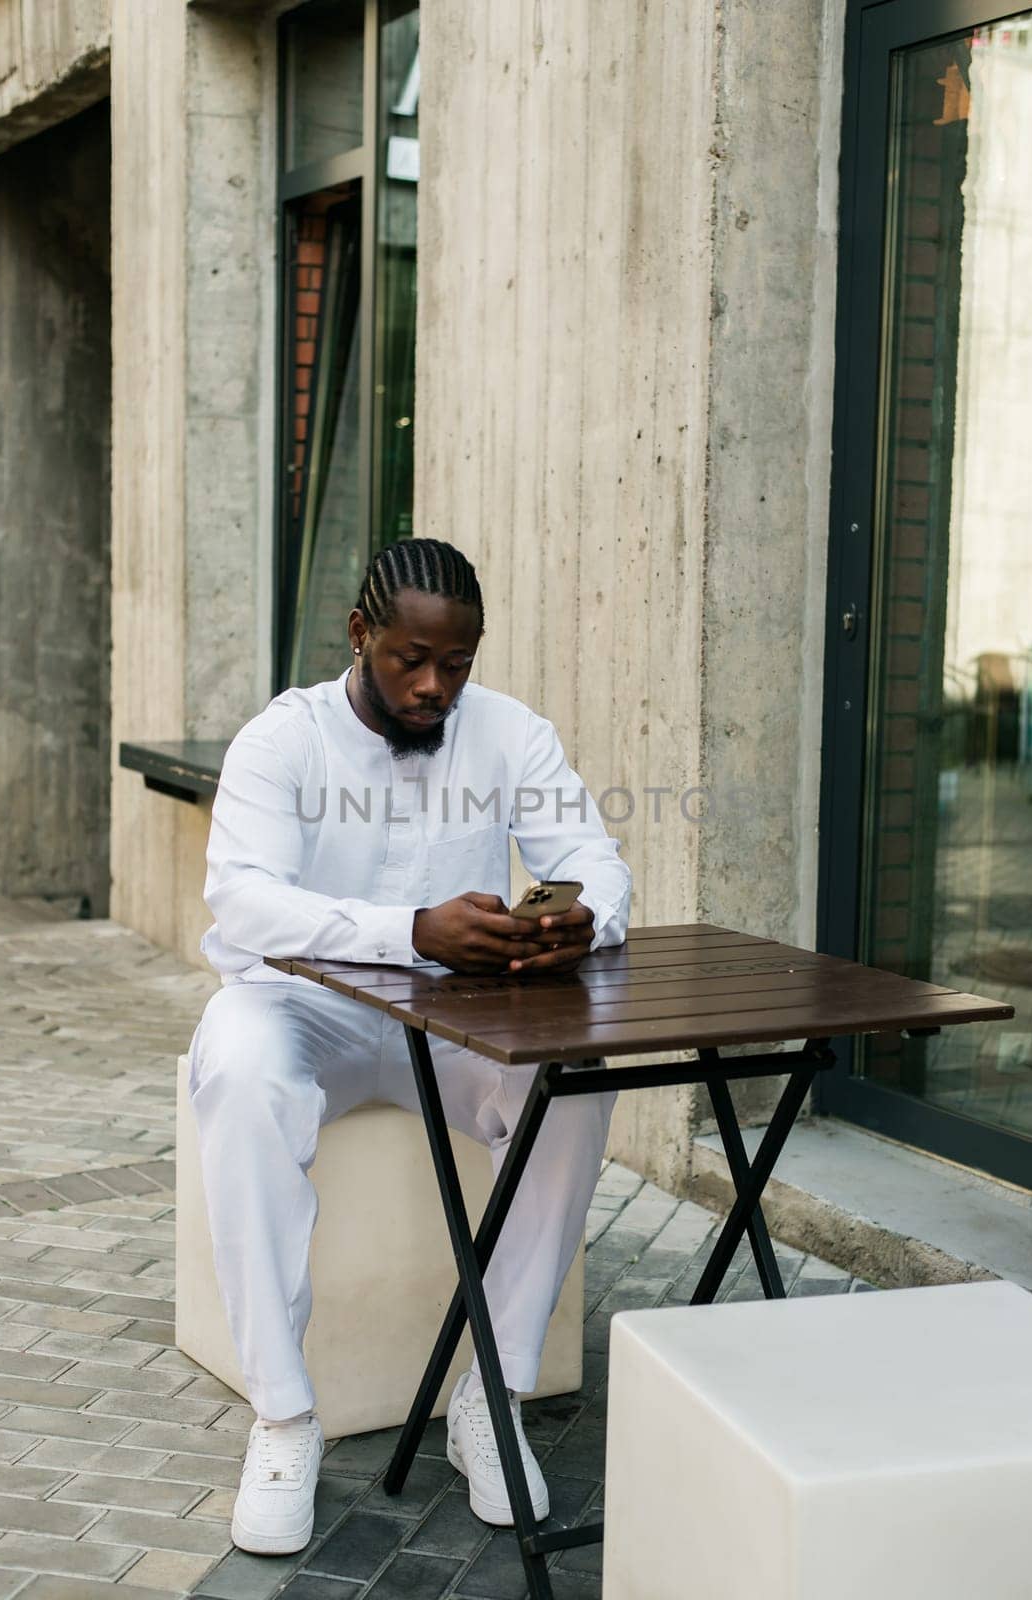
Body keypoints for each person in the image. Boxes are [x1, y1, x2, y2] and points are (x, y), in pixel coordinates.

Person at [188, 537, 631, 1556]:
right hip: (303, 1008)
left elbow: (597, 865)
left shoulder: (511, 732)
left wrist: (581, 921)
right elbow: (242, 901)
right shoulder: (280, 740)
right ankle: (286, 1417)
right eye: (411, 660)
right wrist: (409, 930)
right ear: (361, 635)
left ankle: (494, 1389)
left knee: (573, 1083)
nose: (436, 685)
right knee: (242, 1064)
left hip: (457, 1018)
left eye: (458, 663)